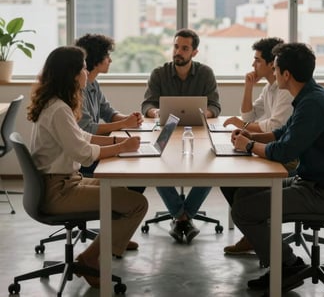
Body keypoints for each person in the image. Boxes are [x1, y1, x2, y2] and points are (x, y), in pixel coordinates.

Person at [230, 42, 324, 293]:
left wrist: (249, 145)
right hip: (312, 183)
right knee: (244, 193)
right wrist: (247, 136)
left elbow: (284, 151)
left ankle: (288, 265)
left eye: (275, 70)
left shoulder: (312, 105)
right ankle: (284, 262)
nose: (273, 75)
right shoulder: (309, 96)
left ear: (286, 74)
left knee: (242, 210)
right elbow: (282, 133)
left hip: (322, 194)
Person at [27, 46, 148, 288]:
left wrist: (117, 141)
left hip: (62, 182)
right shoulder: (59, 109)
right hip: (59, 191)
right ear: (72, 73)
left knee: (122, 189)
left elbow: (81, 136)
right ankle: (90, 258)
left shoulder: (55, 103)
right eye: (83, 67)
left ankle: (103, 248)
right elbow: (83, 154)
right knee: (137, 204)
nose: (86, 71)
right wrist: (122, 148)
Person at [141, 28, 221, 243]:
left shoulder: (205, 73)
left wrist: (207, 113)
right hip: (167, 128)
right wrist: (156, 112)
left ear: (194, 52)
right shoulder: (159, 73)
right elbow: (147, 104)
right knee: (155, 166)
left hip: (197, 129)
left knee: (211, 167)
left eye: (185, 48)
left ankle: (181, 217)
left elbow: (215, 105)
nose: (178, 52)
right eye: (176, 47)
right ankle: (183, 216)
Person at [220, 37, 293, 255]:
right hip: (272, 146)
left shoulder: (286, 91)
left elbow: (273, 125)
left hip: (284, 157)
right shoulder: (270, 88)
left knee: (240, 187)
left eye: (257, 60)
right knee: (227, 180)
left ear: (273, 64)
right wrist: (248, 87)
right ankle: (253, 234)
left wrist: (246, 131)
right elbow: (249, 115)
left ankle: (257, 233)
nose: (253, 65)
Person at [75, 34, 145, 251]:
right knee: (133, 176)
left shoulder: (93, 84)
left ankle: (116, 233)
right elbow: (87, 128)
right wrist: (122, 126)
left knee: (136, 174)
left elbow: (108, 112)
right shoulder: (80, 88)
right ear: (96, 59)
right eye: (107, 56)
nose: (110, 60)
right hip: (83, 157)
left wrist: (128, 120)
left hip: (93, 146)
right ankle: (115, 235)